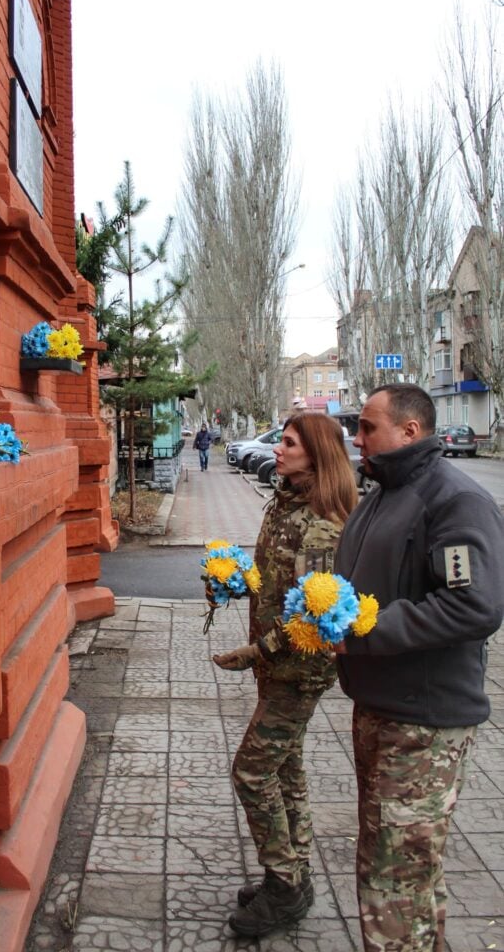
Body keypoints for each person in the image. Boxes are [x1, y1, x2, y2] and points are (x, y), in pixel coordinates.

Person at [334, 384, 504, 952]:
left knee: (392, 882)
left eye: (366, 427)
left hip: (423, 723)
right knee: (407, 873)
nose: (356, 438)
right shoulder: (383, 493)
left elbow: (473, 605)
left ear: (410, 431)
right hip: (381, 706)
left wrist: (364, 630)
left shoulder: (454, 499)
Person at [212, 412, 358, 938]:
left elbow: (313, 615)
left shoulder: (321, 520)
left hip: (299, 668)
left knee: (251, 772)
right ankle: (294, 875)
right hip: (278, 664)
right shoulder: (286, 501)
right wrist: (235, 580)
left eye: (289, 443)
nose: (278, 448)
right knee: (286, 770)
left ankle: (285, 884)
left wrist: (255, 652)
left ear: (315, 455)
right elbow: (276, 583)